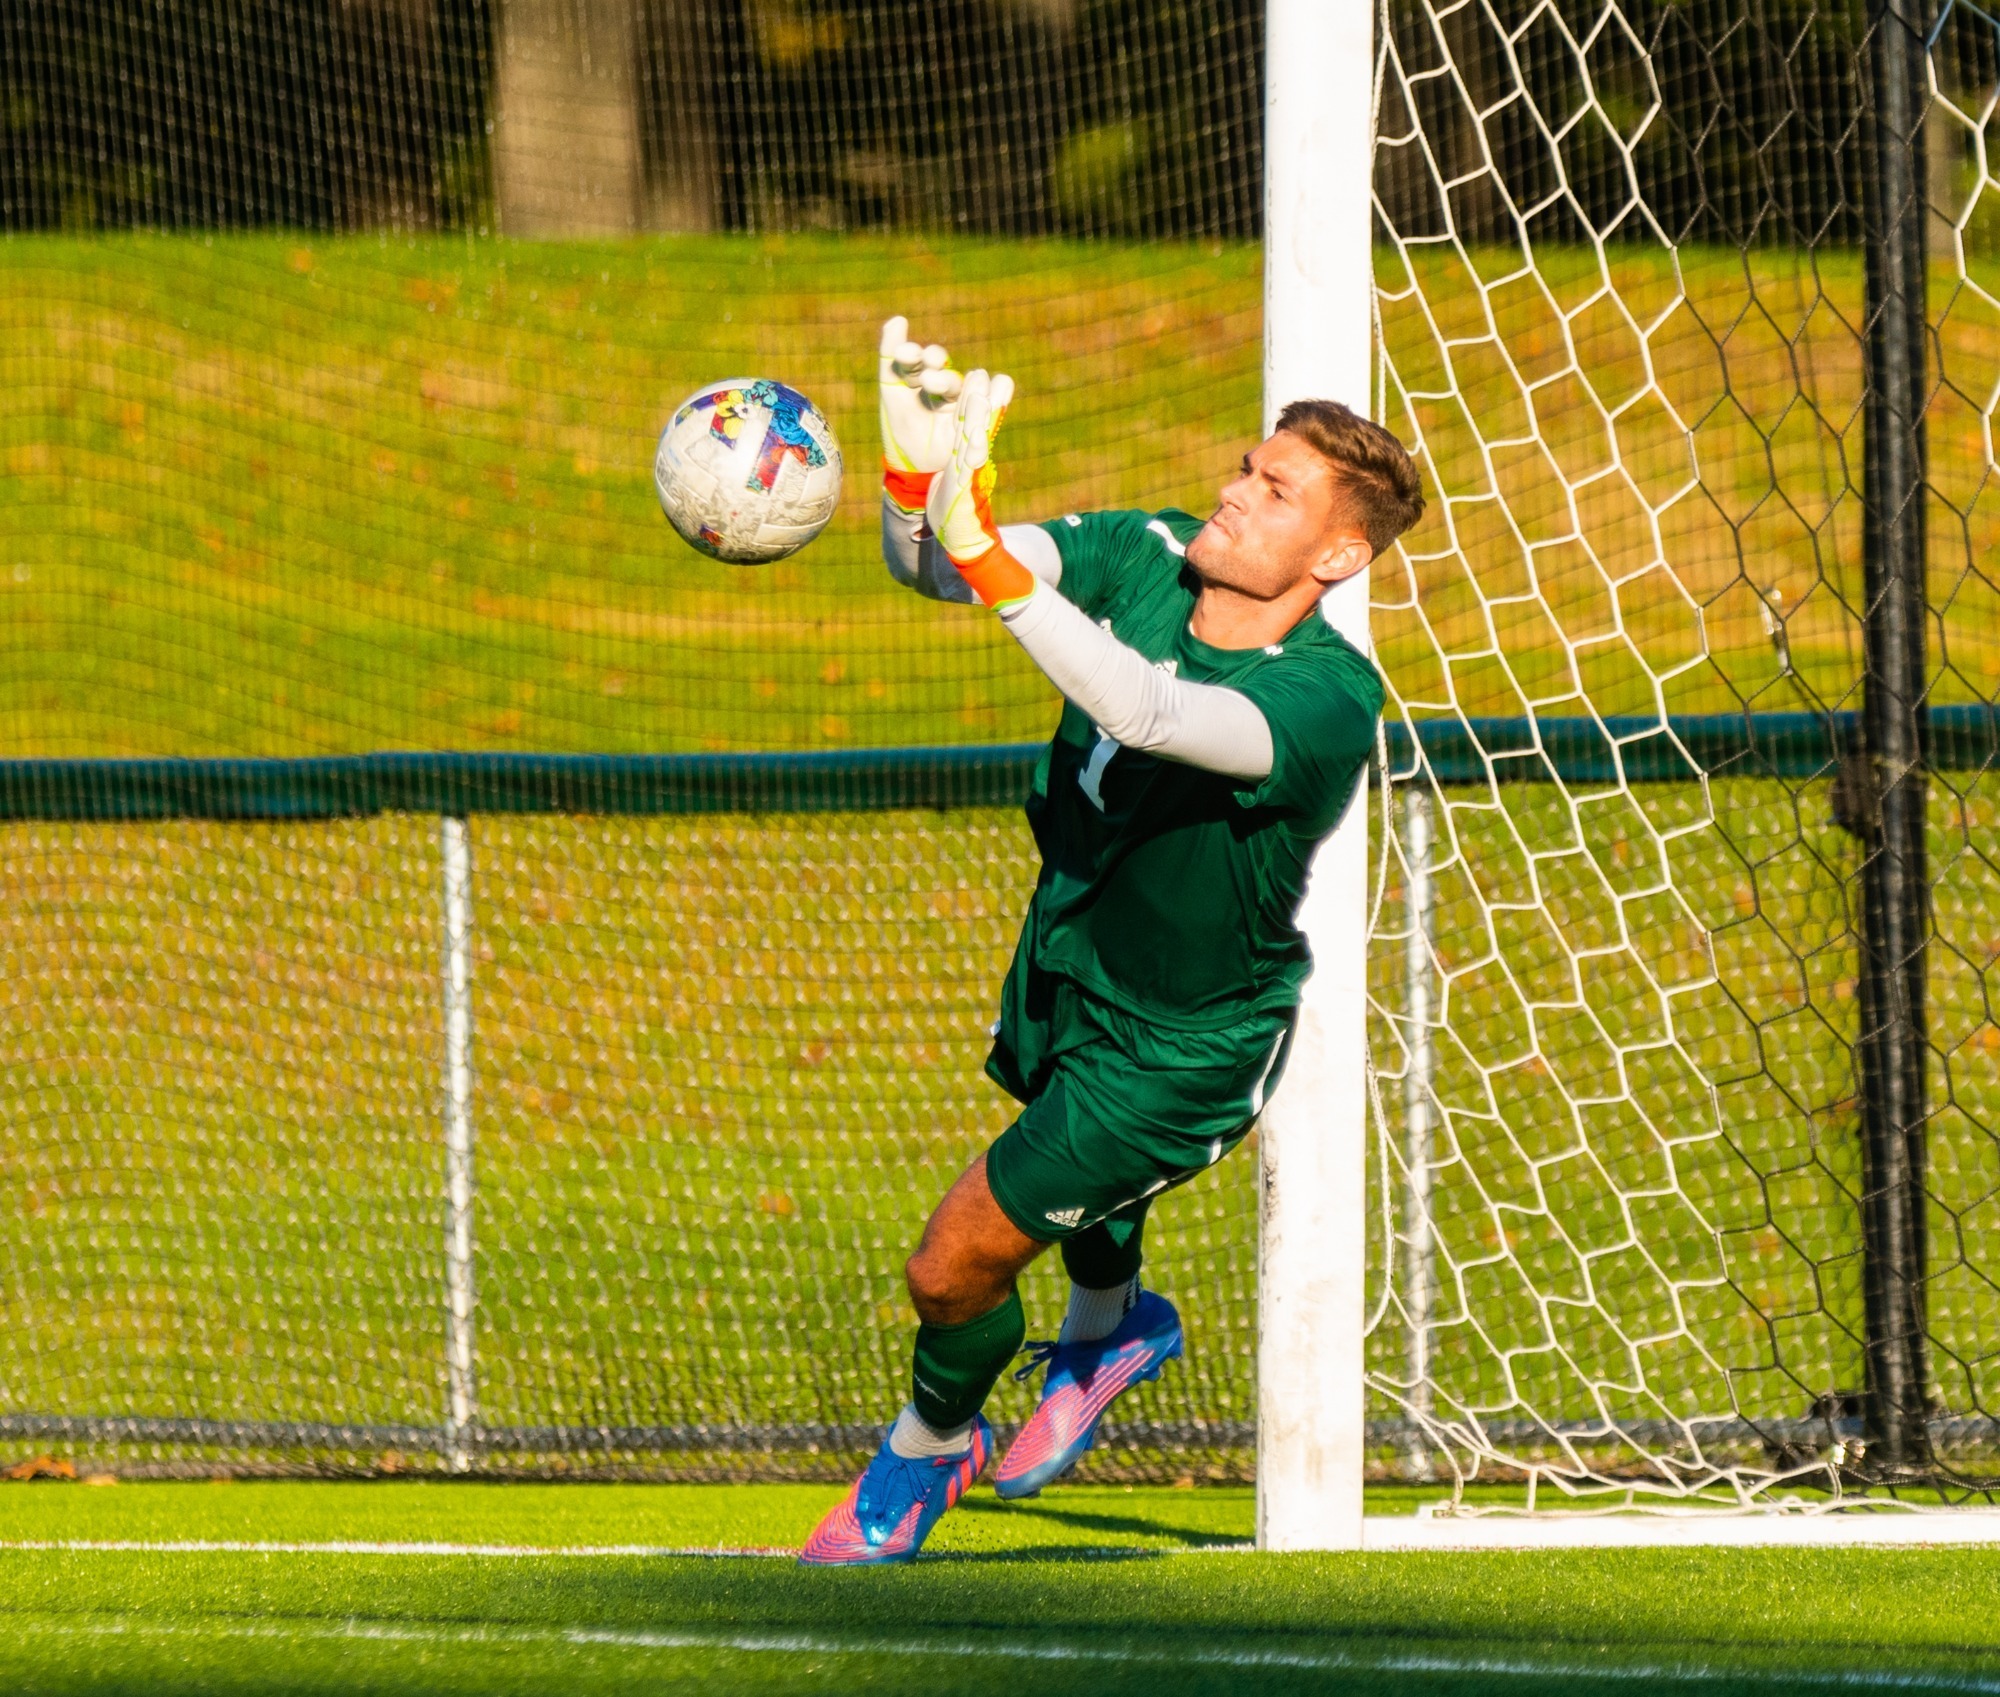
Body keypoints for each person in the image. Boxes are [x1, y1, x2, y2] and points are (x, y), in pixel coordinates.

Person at [799, 319, 1424, 1565]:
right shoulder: (1141, 551)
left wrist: (983, 555)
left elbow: (1141, 709)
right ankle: (1112, 1325)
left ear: (1339, 553)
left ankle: (924, 1452)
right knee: (1063, 1190)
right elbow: (936, 570)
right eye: (1245, 466)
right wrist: (912, 493)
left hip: (1179, 1044)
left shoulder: (1322, 701)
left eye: (1274, 489)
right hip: (1073, 954)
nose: (1234, 492)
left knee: (948, 1266)